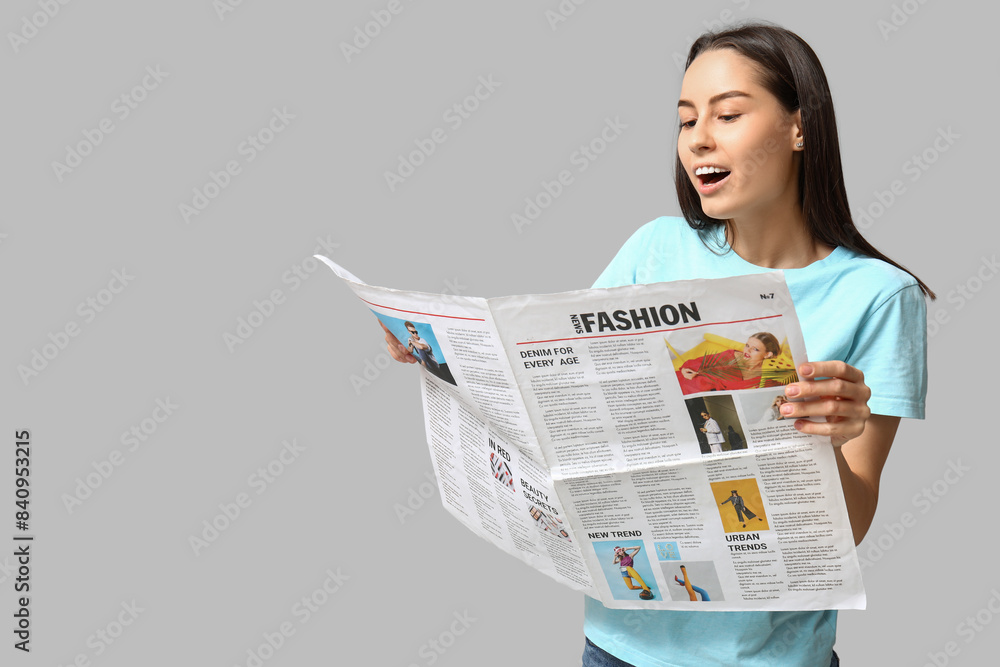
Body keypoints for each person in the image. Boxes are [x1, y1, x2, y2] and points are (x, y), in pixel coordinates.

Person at [385, 21, 930, 667]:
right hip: (617, 647)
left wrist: (830, 443)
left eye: (728, 114)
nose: (698, 137)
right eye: (685, 119)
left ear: (799, 127)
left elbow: (854, 524)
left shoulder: (880, 295)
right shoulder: (655, 248)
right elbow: (559, 389)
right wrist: (449, 357)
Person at [677, 332, 783, 393]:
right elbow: (694, 363)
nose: (747, 350)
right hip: (685, 384)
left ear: (767, 354)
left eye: (755, 349)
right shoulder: (731, 356)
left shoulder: (765, 377)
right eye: (747, 345)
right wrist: (684, 371)